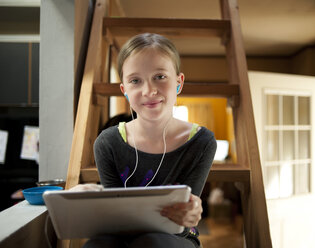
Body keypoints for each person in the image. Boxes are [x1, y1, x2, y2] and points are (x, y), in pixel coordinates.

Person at [83, 33, 217, 248]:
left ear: (178, 83)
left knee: (152, 243)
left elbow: (182, 224)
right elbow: (112, 221)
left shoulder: (202, 141)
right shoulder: (107, 143)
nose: (149, 91)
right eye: (135, 81)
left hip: (177, 238)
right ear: (124, 90)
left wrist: (190, 212)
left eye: (160, 77)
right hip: (122, 236)